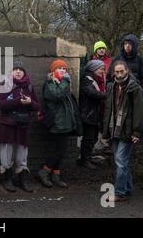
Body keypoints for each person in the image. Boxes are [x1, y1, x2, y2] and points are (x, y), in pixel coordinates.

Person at [102, 61, 143, 202]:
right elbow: (109, 109)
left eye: (122, 71)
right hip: (114, 129)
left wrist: (136, 132)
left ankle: (120, 192)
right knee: (122, 162)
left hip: (127, 131)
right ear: (114, 73)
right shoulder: (112, 87)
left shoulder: (135, 88)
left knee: (120, 161)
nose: (119, 74)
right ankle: (127, 188)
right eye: (117, 72)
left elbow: (140, 111)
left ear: (127, 71)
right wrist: (105, 131)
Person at [0, 61, 40, 192]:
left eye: (21, 69)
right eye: (15, 69)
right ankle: (7, 179)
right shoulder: (4, 84)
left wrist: (30, 102)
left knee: (22, 155)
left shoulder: (29, 87)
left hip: (23, 125)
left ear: (24, 72)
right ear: (11, 72)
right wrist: (17, 102)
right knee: (6, 154)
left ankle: (22, 180)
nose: (18, 71)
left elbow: (37, 106)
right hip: (7, 125)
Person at [37, 60, 82, 189]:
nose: (63, 70)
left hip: (65, 123)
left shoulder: (62, 83)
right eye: (59, 68)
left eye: (64, 68)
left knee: (61, 151)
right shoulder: (50, 84)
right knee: (59, 151)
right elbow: (57, 96)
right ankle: (44, 171)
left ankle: (56, 175)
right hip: (56, 124)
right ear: (53, 71)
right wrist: (66, 81)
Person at [77, 60, 107, 169]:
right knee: (88, 138)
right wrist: (106, 96)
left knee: (93, 137)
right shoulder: (87, 79)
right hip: (88, 114)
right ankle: (84, 160)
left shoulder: (94, 79)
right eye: (101, 69)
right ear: (94, 69)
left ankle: (87, 157)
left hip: (93, 114)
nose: (103, 71)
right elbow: (91, 92)